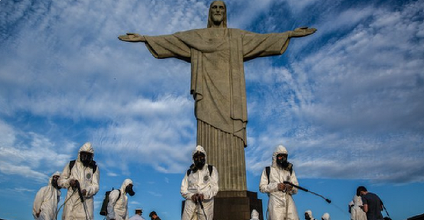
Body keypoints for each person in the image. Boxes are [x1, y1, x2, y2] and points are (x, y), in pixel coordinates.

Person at [118, 1, 316, 193]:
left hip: (231, 99)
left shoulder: (236, 37)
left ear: (226, 13)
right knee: (206, 142)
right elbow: (173, 40)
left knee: (232, 137)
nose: (218, 10)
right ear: (209, 12)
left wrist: (289, 34)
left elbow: (262, 40)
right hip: (207, 99)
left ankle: (233, 187)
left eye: (222, 7)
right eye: (214, 7)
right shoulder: (198, 37)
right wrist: (145, 38)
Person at [58, 142, 100, 220]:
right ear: (80, 154)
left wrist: (87, 191)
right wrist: (69, 182)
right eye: (84, 154)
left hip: (85, 204)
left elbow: (96, 186)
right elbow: (60, 181)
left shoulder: (94, 168)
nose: (86, 157)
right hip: (71, 204)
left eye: (88, 155)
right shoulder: (71, 165)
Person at [259, 144, 299, 220]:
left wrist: (291, 187)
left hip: (289, 200)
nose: (282, 158)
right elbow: (262, 187)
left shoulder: (289, 170)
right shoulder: (268, 170)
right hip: (275, 202)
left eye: (284, 156)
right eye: (280, 156)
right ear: (275, 157)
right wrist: (276, 186)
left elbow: (296, 188)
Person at [181, 145, 219, 220]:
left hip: (205, 205)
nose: (199, 159)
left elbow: (215, 188)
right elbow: (183, 189)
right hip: (190, 206)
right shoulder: (189, 172)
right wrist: (191, 196)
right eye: (196, 157)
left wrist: (204, 195)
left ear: (205, 157)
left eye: (201, 157)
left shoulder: (211, 169)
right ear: (193, 159)